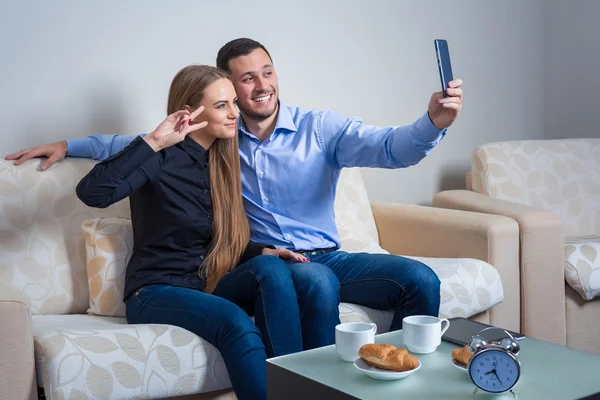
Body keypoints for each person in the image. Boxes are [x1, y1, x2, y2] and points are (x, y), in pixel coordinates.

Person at [6, 38, 464, 349]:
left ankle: (410, 380)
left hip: (329, 255)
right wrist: (70, 145)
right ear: (228, 89)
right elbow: (135, 145)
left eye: (267, 72)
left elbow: (390, 148)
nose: (262, 85)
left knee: (419, 278)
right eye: (247, 78)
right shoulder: (218, 139)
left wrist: (433, 124)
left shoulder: (320, 129)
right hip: (271, 261)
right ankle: (324, 386)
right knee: (315, 282)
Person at [75, 64, 313, 400]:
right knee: (236, 322)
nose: (234, 113)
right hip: (155, 291)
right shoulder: (158, 157)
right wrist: (155, 140)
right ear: (190, 111)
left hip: (207, 284)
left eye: (233, 102)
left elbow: (213, 237)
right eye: (222, 106)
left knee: (273, 268)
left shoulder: (221, 161)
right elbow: (93, 193)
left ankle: (294, 389)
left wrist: (263, 252)